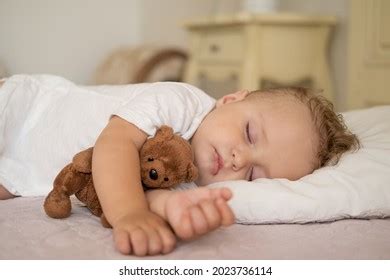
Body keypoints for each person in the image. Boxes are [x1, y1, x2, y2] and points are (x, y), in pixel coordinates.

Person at [0, 75, 359, 256]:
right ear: (231, 99)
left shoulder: (199, 179)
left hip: (27, 171)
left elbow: (149, 191)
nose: (239, 158)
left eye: (253, 173)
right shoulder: (181, 102)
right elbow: (116, 145)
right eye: (249, 133)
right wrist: (128, 214)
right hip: (23, 111)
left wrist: (176, 212)